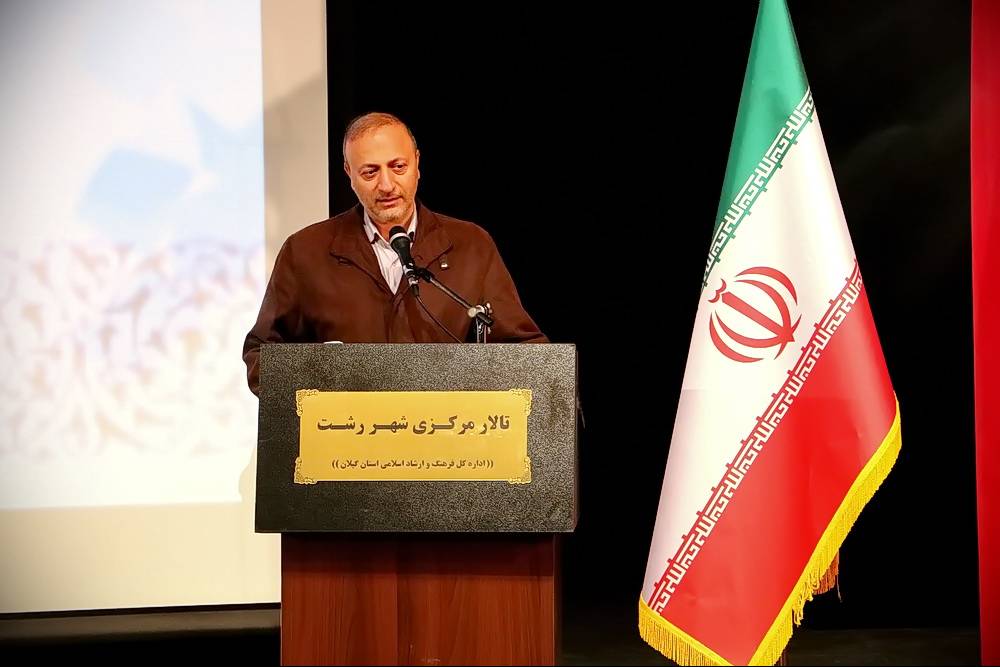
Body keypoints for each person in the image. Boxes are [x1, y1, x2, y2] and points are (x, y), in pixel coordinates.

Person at [242, 112, 547, 395]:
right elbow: (262, 356)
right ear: (349, 173)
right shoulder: (306, 251)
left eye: (398, 167)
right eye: (370, 172)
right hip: (348, 431)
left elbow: (523, 352)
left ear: (417, 164)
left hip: (447, 430)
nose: (386, 185)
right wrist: (324, 381)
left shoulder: (470, 245)